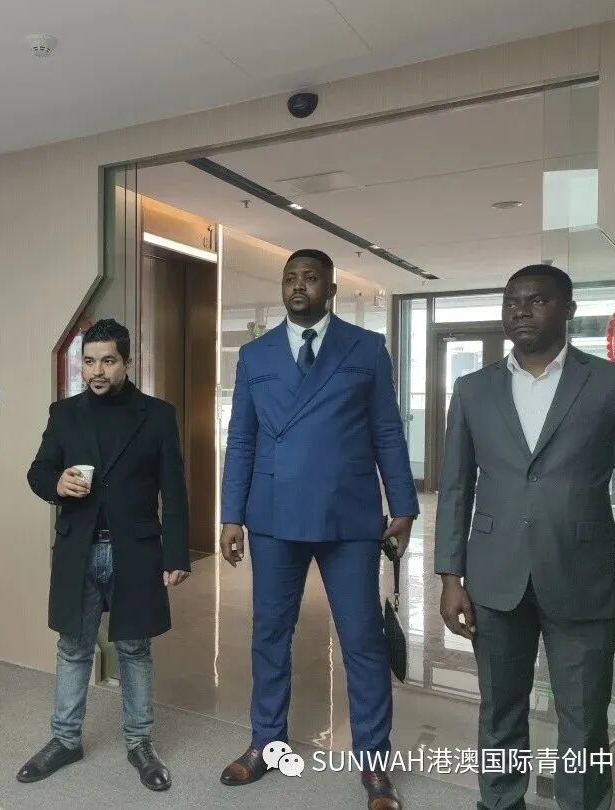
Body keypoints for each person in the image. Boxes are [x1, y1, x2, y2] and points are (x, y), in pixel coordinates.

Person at [436, 264, 615, 810]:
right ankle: (499, 801)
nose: (521, 310)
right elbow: (456, 488)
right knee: (499, 710)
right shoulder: (472, 389)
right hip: (495, 577)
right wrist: (450, 577)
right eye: (512, 301)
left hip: (584, 578)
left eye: (536, 300)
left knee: (584, 718)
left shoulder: (614, 385)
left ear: (569, 310)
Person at [218, 249, 417, 810]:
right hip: (273, 513)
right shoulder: (255, 354)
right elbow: (242, 439)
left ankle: (374, 762)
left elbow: (386, 430)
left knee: (363, 641)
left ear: (331, 289)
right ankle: (265, 742)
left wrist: (403, 504)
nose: (298, 286)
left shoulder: (365, 347)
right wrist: (231, 514)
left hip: (348, 513)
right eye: (290, 278)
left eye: (310, 278)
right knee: (269, 634)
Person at [18, 318, 190, 792]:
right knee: (73, 647)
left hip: (136, 550)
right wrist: (56, 483)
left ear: (127, 362)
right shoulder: (64, 414)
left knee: (135, 649)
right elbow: (37, 471)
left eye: (108, 361)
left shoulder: (158, 415)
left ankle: (140, 743)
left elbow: (174, 490)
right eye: (89, 361)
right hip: (79, 548)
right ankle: (64, 740)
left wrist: (176, 554)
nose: (96, 370)